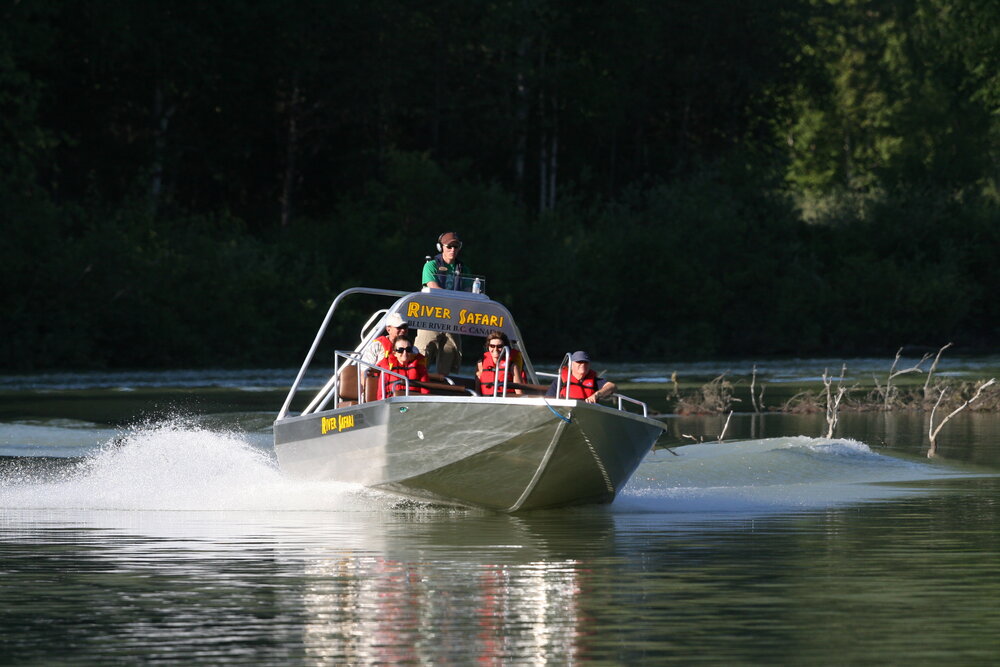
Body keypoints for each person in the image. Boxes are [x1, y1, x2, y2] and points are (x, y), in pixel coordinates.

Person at [416, 231, 467, 374]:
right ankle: (415, 388)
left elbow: (469, 294)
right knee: (422, 354)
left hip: (453, 321)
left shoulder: (464, 269)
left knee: (451, 355)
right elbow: (434, 288)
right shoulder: (430, 266)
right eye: (449, 246)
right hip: (430, 317)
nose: (452, 250)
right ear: (441, 247)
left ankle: (444, 390)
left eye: (456, 247)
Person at [545, 351, 616, 403]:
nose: (583, 364)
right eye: (579, 362)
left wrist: (596, 394)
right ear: (571, 365)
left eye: (586, 362)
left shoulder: (594, 380)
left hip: (588, 412)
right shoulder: (560, 381)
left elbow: (612, 386)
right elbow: (549, 399)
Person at [476, 331, 526, 396]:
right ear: (488, 347)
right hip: (486, 401)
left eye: (499, 346)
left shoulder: (512, 366)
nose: (495, 349)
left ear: (505, 347)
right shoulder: (480, 364)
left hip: (505, 401)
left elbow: (519, 392)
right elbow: (477, 389)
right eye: (492, 346)